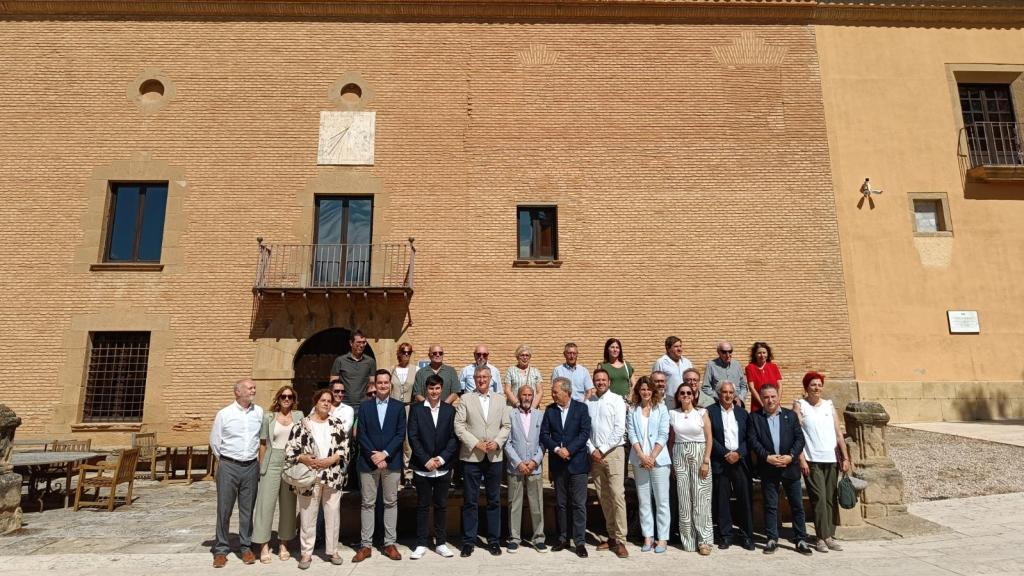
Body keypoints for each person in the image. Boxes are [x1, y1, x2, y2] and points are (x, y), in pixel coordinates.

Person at [286, 388, 350, 569]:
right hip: (309, 476)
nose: (326, 403)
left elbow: (344, 448)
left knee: (332, 514)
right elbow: (291, 450)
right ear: (315, 402)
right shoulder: (302, 424)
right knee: (307, 515)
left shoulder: (337, 423)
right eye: (323, 400)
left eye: (329, 401)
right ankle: (306, 554)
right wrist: (304, 458)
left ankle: (332, 550)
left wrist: (331, 459)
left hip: (332, 475)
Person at [748, 384, 812, 555]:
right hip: (769, 467)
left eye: (773, 396)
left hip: (790, 466)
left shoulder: (790, 416)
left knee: (797, 505)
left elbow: (800, 439)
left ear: (778, 397)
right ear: (761, 399)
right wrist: (767, 457)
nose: (770, 400)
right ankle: (771, 538)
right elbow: (753, 440)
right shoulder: (755, 418)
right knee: (770, 505)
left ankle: (800, 539)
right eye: (766, 397)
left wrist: (791, 456)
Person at [454, 365, 511, 557]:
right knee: (470, 500)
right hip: (472, 456)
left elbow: (506, 425)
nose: (481, 380)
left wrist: (497, 442)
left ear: (491, 379)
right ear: (474, 379)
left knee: (494, 500)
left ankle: (494, 541)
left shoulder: (500, 400)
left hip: (494, 456)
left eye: (485, 377)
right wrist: (475, 443)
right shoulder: (466, 399)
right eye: (478, 377)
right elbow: (459, 425)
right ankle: (469, 541)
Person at [794, 371, 851, 554]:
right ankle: (820, 537)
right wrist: (801, 458)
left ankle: (829, 536)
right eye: (813, 385)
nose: (817, 388)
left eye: (819, 384)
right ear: (806, 387)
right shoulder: (800, 405)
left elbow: (838, 433)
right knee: (818, 498)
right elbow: (797, 434)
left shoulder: (828, 405)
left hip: (831, 459)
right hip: (812, 460)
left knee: (829, 498)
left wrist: (845, 457)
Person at [353, 370, 406, 562]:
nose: (383, 386)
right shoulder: (365, 407)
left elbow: (400, 434)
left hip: (391, 462)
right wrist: (374, 455)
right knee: (368, 503)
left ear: (390, 384)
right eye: (380, 383)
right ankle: (366, 545)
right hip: (368, 462)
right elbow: (361, 434)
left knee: (391, 502)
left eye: (386, 382)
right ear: (375, 385)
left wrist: (385, 454)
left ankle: (389, 543)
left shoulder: (399, 407)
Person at [210, 378, 263, 568]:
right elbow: (215, 442)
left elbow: (260, 439)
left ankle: (246, 547)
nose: (253, 390)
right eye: (249, 388)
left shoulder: (259, 412)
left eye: (254, 387)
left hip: (250, 466)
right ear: (238, 392)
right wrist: (228, 461)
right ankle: (221, 549)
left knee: (247, 510)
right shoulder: (224, 414)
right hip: (228, 466)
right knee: (224, 509)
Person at [407, 374, 459, 560]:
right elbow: (412, 436)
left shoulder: (449, 410)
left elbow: (454, 438)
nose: (434, 392)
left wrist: (441, 459)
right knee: (422, 505)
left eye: (437, 388)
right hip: (423, 466)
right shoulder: (417, 410)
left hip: (443, 467)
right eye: (431, 388)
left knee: (441, 505)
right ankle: (421, 543)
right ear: (426, 389)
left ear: (442, 389)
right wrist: (426, 459)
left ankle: (441, 543)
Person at [541, 376, 592, 558]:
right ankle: (563, 538)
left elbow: (585, 433)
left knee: (579, 504)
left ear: (567, 392)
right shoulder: (550, 411)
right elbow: (545, 435)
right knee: (561, 504)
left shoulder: (581, 408)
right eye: (553, 392)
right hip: (558, 465)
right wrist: (556, 449)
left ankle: (579, 542)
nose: (553, 394)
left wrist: (569, 449)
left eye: (556, 391)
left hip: (577, 464)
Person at [252, 385, 304, 563]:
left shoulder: (299, 416)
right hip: (272, 460)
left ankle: (284, 544)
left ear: (294, 399)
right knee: (265, 505)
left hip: (291, 461)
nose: (287, 399)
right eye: (283, 396)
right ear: (278, 398)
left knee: (289, 505)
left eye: (290, 396)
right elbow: (263, 444)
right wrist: (262, 468)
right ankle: (263, 545)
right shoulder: (269, 417)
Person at [707, 381, 755, 551]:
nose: (727, 395)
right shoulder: (710, 412)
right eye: (724, 392)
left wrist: (738, 453)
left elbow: (749, 438)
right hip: (721, 461)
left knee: (745, 499)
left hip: (740, 462)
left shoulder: (743, 413)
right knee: (722, 500)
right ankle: (725, 535)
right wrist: (726, 453)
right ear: (719, 394)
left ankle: (747, 535)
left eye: (730, 392)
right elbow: (710, 437)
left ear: (735, 395)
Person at [668, 379, 714, 556]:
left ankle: (704, 540)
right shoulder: (673, 414)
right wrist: (672, 462)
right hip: (680, 453)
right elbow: (672, 439)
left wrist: (706, 460)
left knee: (701, 498)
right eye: (682, 393)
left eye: (689, 393)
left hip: (699, 451)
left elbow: (709, 437)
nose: (686, 395)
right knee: (684, 499)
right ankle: (688, 539)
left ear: (693, 395)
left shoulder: (702, 412)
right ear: (678, 396)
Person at [586, 368, 628, 558]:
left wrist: (602, 449)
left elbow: (619, 429)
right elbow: (585, 430)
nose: (600, 382)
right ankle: (611, 535)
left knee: (617, 495)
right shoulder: (589, 402)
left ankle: (620, 540)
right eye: (597, 380)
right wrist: (592, 449)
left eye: (603, 379)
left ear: (609, 382)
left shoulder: (617, 400)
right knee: (603, 496)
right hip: (595, 456)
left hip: (613, 453)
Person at [626, 376, 671, 553]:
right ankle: (648, 536)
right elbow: (632, 434)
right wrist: (642, 456)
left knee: (661, 500)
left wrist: (652, 456)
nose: (645, 392)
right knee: (644, 500)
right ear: (638, 391)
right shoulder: (633, 410)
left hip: (659, 460)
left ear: (653, 391)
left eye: (648, 389)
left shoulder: (661, 408)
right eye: (642, 389)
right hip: (639, 460)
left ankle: (662, 538)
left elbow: (663, 433)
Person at [504, 385, 546, 553]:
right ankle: (514, 538)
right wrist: (518, 462)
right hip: (516, 468)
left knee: (537, 505)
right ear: (518, 396)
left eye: (530, 395)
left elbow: (544, 441)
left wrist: (535, 461)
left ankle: (538, 538)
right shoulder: (510, 415)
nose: (527, 398)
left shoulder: (539, 416)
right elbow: (506, 442)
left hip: (534, 467)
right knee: (514, 504)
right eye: (524, 395)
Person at [391, 342, 419, 484]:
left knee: (408, 442)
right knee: (395, 440)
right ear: (399, 353)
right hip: (394, 408)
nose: (406, 354)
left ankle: (408, 475)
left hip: (409, 407)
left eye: (409, 352)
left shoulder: (416, 370)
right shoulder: (391, 370)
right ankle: (395, 473)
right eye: (403, 352)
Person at [331, 330, 377, 409]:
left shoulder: (370, 362)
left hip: (364, 405)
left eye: (364, 342)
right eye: (358, 342)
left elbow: (372, 385)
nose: (361, 345)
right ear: (351, 343)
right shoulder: (340, 361)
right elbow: (332, 384)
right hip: (343, 405)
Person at [702, 341, 749, 406]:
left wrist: (740, 398)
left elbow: (744, 385)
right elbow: (705, 387)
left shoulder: (737, 364)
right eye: (724, 352)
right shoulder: (711, 365)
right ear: (718, 352)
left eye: (730, 351)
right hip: (719, 404)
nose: (728, 355)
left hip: (737, 404)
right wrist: (720, 397)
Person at [652, 336, 693, 410]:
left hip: (686, 399)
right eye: (676, 346)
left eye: (680, 346)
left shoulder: (687, 362)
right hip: (669, 400)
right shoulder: (661, 362)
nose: (679, 349)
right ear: (668, 348)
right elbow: (654, 383)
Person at [745, 341, 783, 414]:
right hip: (758, 405)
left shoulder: (773, 367)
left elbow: (780, 386)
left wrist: (777, 402)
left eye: (764, 352)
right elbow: (751, 388)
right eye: (759, 353)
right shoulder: (750, 368)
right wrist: (763, 405)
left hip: (774, 404)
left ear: (768, 354)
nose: (762, 355)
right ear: (755, 355)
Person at [503, 344, 543, 410]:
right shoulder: (510, 370)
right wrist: (517, 404)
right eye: (522, 355)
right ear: (517, 357)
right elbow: (507, 390)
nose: (525, 357)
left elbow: (540, 391)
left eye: (527, 355)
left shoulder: (536, 371)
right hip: (514, 408)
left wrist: (533, 407)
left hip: (532, 408)